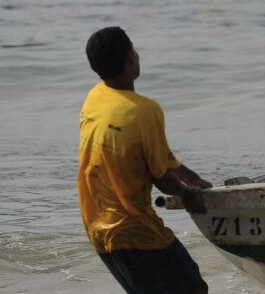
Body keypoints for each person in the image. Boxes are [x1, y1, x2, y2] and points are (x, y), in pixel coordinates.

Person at [77, 27, 212, 293]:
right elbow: (161, 177)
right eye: (135, 50)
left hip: (97, 228)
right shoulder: (144, 111)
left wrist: (192, 177)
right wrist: (188, 194)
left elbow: (153, 156)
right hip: (135, 232)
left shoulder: (94, 98)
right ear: (130, 57)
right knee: (194, 289)